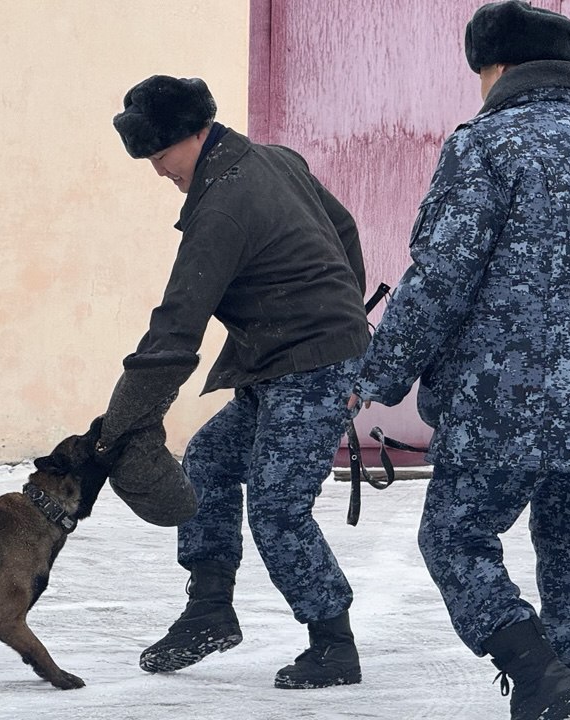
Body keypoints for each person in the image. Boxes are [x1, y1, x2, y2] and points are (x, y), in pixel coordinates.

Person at [349, 3, 570, 719]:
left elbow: (440, 277)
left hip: (502, 402)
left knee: (455, 536)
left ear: (495, 67)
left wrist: (377, 375)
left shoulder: (486, 145)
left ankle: (540, 681)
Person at [101, 74, 371, 689]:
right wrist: (345, 315)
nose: (158, 170)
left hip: (313, 367)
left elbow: (178, 323)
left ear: (196, 134)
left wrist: (124, 419)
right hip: (283, 363)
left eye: (161, 154)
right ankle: (209, 611)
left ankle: (334, 645)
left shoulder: (222, 205)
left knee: (277, 506)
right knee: (210, 461)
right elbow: (346, 229)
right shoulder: (275, 159)